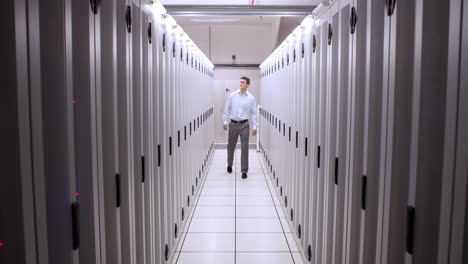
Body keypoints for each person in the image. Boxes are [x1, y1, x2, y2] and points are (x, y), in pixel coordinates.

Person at [223, 76, 258, 179]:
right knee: (231, 146)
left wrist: (255, 126)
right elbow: (226, 109)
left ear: (247, 85)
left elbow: (254, 114)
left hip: (244, 125)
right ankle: (229, 165)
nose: (241, 84)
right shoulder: (232, 95)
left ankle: (244, 171)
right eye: (240, 82)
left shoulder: (251, 98)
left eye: (243, 82)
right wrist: (225, 121)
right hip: (233, 124)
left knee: (244, 148)